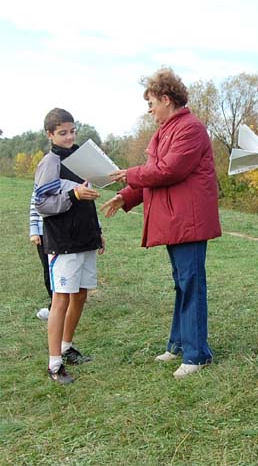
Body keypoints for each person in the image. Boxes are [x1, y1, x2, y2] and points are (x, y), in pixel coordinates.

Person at [101, 68, 221, 379]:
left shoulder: (190, 129)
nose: (150, 110)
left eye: (151, 103)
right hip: (176, 221)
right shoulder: (166, 130)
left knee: (191, 283)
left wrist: (128, 174)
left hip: (189, 222)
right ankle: (179, 345)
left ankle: (197, 354)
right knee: (182, 283)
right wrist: (125, 196)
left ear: (166, 99)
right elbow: (153, 174)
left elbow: (168, 170)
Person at [34, 108, 104, 384]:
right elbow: (42, 204)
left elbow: (89, 196)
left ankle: (66, 346)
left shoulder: (81, 159)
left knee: (81, 294)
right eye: (62, 133)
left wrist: (98, 231)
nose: (69, 137)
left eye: (72, 131)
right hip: (63, 242)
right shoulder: (49, 163)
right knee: (61, 299)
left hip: (86, 239)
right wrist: (73, 194)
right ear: (50, 134)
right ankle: (54, 365)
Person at [30, 190, 52, 320]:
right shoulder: (42, 179)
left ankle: (56, 307)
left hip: (63, 232)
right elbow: (34, 204)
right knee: (48, 270)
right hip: (43, 232)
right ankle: (54, 305)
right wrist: (34, 230)